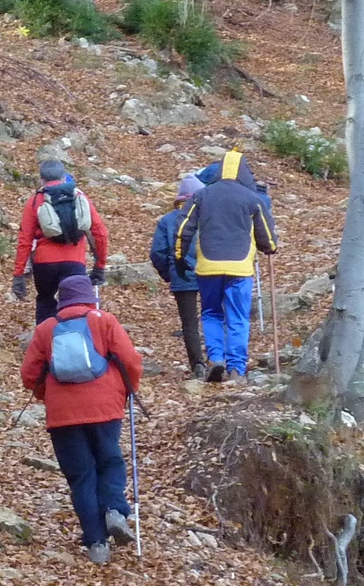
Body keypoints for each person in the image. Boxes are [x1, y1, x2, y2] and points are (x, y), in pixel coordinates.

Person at [20, 275, 143, 564]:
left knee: (81, 476)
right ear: (89, 298)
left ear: (61, 300)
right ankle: (114, 510)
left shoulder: (46, 329)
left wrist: (49, 396)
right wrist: (128, 389)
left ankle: (97, 543)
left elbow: (29, 375)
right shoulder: (104, 321)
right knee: (110, 461)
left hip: (63, 416)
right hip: (105, 408)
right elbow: (130, 360)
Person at [176, 149, 278, 384]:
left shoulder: (201, 196)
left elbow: (183, 228)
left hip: (208, 266)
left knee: (211, 313)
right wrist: (270, 247)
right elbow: (267, 235)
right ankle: (236, 368)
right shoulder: (252, 198)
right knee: (238, 317)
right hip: (240, 268)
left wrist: (180, 257)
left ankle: (216, 359)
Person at [12, 160, 110, 324]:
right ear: (64, 177)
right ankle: (76, 337)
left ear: (42, 179)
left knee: (46, 302)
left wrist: (18, 275)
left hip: (44, 264)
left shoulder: (36, 200)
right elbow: (100, 233)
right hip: (75, 262)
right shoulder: (79, 197)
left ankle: (46, 338)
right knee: (77, 308)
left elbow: (25, 241)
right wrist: (100, 266)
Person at [150, 175, 206, 379]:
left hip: (182, 275)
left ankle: (198, 364)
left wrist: (169, 274)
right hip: (210, 272)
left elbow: (157, 252)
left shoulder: (168, 220)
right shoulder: (208, 217)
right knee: (214, 316)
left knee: (189, 323)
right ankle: (219, 358)